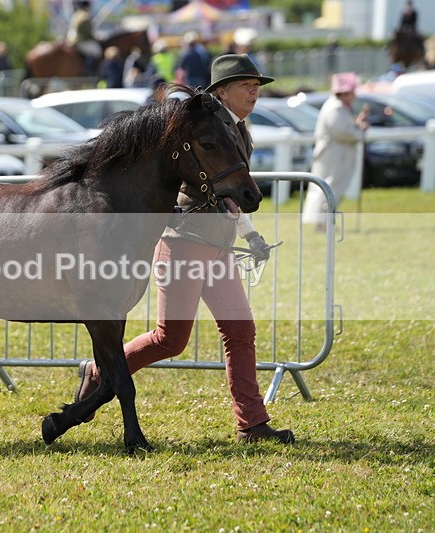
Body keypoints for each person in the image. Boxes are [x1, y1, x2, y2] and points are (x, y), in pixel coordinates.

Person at [73, 54, 294, 444]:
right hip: (186, 244)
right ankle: (98, 370)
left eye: (257, 85)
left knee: (240, 331)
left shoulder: (240, 131)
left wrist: (250, 234)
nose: (255, 91)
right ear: (222, 91)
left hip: (219, 247)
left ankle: (252, 424)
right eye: (246, 85)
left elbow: (230, 193)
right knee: (170, 340)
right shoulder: (197, 127)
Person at [302, 72, 369, 230]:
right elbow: (341, 132)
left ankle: (324, 223)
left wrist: (357, 124)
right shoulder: (335, 107)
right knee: (330, 187)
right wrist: (360, 132)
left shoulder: (339, 107)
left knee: (333, 187)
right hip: (334, 156)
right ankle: (323, 223)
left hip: (338, 155)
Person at [67, 0, 101, 75]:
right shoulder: (85, 16)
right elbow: (87, 32)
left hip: (72, 39)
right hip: (81, 40)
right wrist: (96, 38)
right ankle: (89, 70)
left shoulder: (76, 14)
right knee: (97, 51)